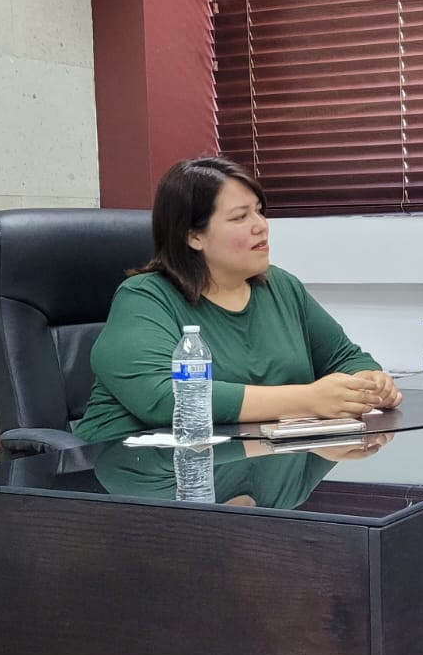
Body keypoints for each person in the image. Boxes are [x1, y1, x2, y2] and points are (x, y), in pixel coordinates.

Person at [75, 157, 403, 484]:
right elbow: (164, 398)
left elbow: (343, 357)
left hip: (251, 461)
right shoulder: (145, 297)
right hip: (139, 477)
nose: (260, 224)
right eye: (240, 217)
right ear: (194, 237)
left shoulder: (281, 287)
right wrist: (309, 400)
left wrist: (369, 383)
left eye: (259, 210)